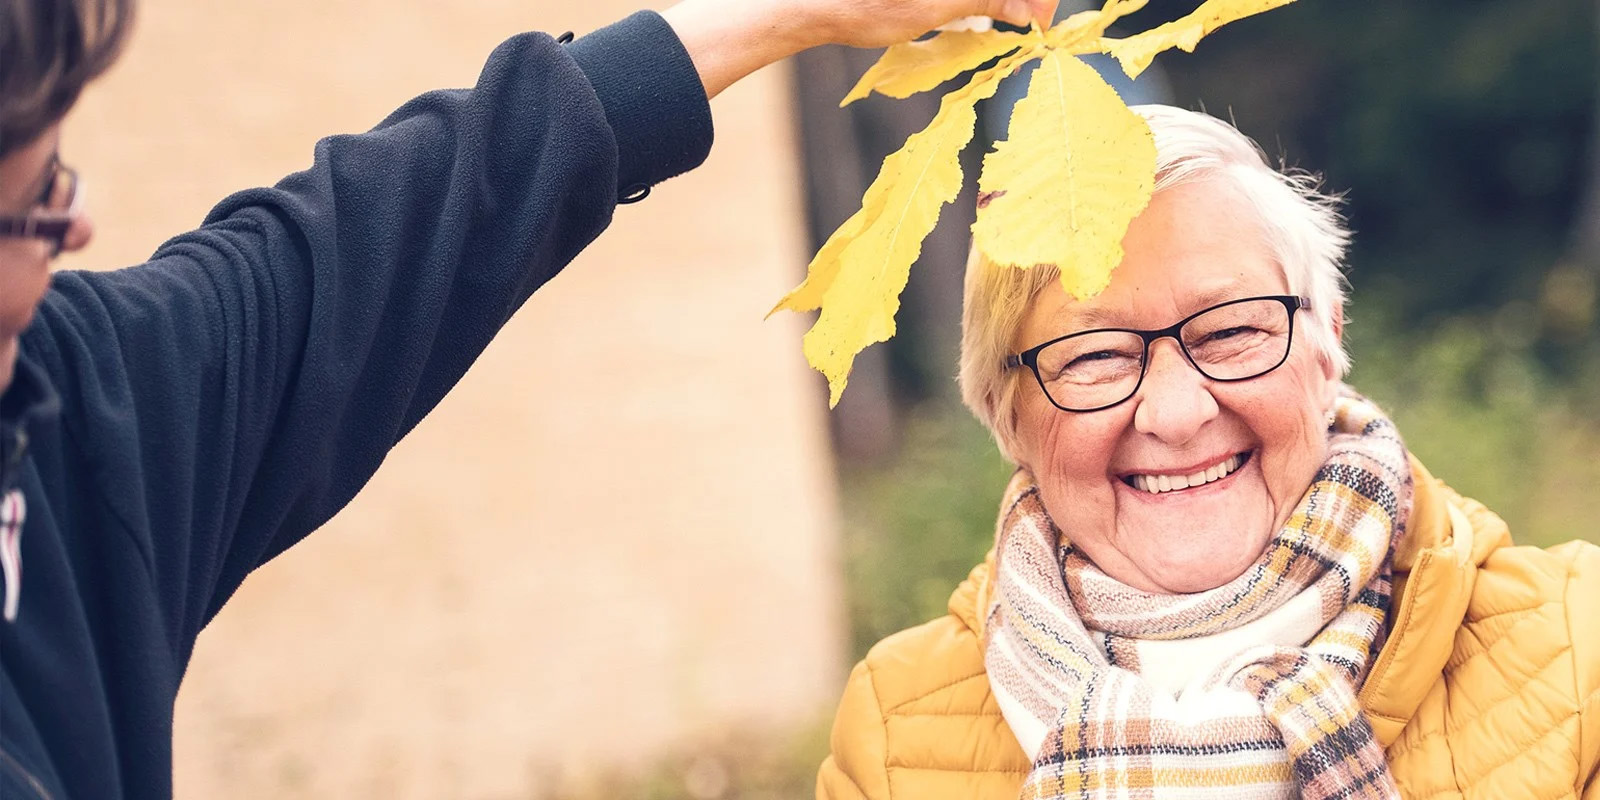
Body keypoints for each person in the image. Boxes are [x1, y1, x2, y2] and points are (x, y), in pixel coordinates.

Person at [0, 0, 1064, 796]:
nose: (76, 229)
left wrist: (778, 15)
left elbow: (377, 241)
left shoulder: (69, 406)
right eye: (38, 204)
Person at [816, 105, 1600, 799]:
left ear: (1328, 339)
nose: (1178, 413)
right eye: (1095, 356)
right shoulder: (896, 727)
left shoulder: (1580, 646)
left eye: (1230, 331)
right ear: (1003, 411)